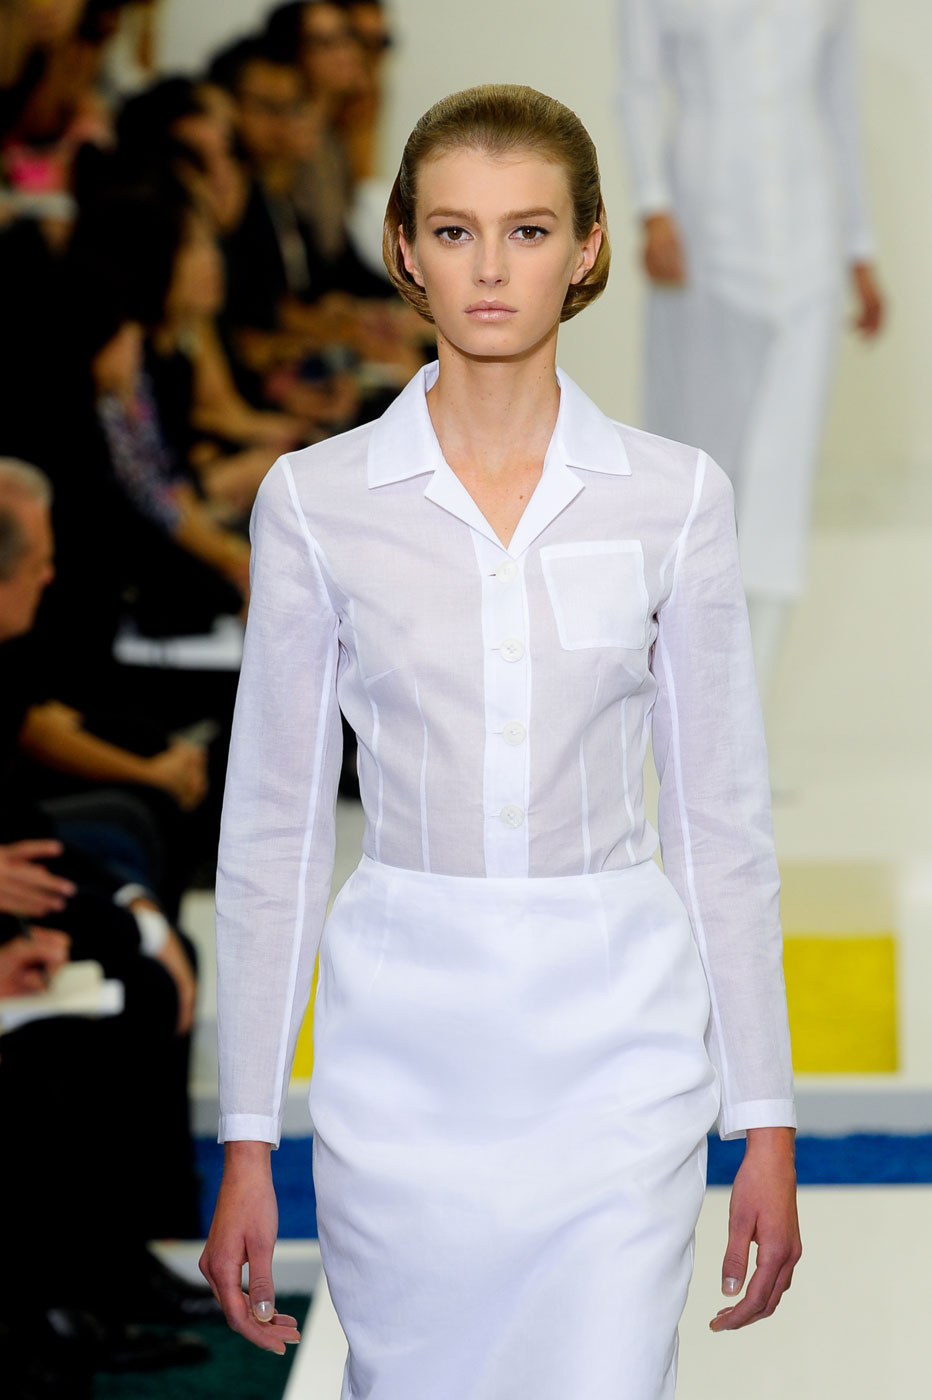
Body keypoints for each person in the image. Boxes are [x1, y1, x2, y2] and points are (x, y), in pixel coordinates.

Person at [200, 84, 800, 1398]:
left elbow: (719, 826)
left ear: (586, 247)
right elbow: (273, 835)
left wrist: (764, 1116)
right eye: (454, 230)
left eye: (526, 231)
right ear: (403, 248)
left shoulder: (672, 498)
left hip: (619, 1045)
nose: (488, 267)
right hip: (402, 1047)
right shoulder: (316, 503)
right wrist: (246, 1136)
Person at [618, 0, 885, 699]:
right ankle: (680, 692)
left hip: (807, 239)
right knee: (702, 466)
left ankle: (747, 708)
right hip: (704, 239)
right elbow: (639, 85)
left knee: (783, 472)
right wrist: (652, 206)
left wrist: (858, 248)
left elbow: (838, 105)